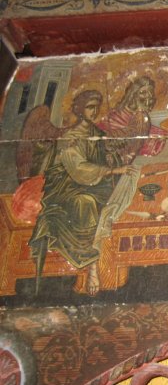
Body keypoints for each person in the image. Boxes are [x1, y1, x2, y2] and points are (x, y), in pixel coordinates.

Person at [28, 90, 135, 296]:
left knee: (126, 194)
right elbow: (79, 169)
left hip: (97, 183)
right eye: (89, 107)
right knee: (86, 203)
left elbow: (106, 158)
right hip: (68, 187)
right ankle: (92, 267)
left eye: (97, 107)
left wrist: (113, 158)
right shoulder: (71, 137)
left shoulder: (98, 134)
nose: (94, 111)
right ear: (79, 109)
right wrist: (113, 170)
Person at [97, 76, 168, 164]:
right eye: (143, 92)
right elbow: (136, 139)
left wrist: (166, 134)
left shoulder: (139, 115)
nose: (148, 96)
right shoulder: (119, 116)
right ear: (133, 95)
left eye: (150, 92)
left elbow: (145, 131)